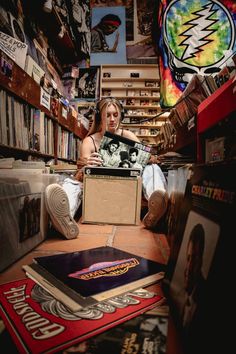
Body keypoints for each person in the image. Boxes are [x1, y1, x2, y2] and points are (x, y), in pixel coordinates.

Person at [45, 97, 168, 239]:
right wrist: (87, 166)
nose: (112, 119)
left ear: (121, 116)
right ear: (100, 117)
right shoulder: (89, 141)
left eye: (115, 115)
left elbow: (150, 158)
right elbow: (80, 176)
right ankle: (65, 219)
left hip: (127, 190)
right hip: (100, 190)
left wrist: (146, 159)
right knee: (72, 183)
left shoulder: (128, 135)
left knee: (152, 168)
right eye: (107, 115)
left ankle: (155, 207)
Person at [181, 223, 206, 329]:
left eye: (195, 259)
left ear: (201, 261)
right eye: (188, 258)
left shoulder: (203, 300)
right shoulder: (185, 296)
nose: (189, 267)